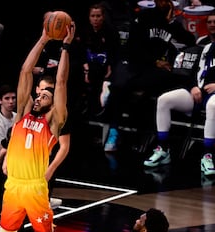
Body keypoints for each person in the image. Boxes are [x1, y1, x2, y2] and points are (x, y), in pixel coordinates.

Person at [0, 20, 78, 232]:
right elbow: (24, 71)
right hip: (13, 187)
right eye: (38, 93)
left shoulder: (53, 123)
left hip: (34, 188)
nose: (39, 95)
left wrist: (66, 47)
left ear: (51, 103)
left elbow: (62, 82)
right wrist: (43, 38)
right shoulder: (20, 114)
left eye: (45, 94)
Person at [102, 0, 196, 152]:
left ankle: (144, 134)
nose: (172, 13)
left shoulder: (171, 25)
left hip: (152, 69)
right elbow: (133, 48)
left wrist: (175, 24)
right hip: (134, 63)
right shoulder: (145, 17)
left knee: (164, 81)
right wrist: (155, 61)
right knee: (121, 88)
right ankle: (113, 129)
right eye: (170, 10)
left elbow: (190, 40)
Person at [143, 39, 215, 175]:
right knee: (164, 100)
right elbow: (193, 73)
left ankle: (208, 155)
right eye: (210, 22)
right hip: (199, 92)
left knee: (213, 106)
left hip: (213, 95)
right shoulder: (206, 48)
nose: (212, 25)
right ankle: (163, 149)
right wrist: (193, 86)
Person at [77, 3, 121, 117]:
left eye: (98, 16)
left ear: (103, 17)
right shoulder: (84, 30)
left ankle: (97, 106)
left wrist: (110, 66)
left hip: (103, 64)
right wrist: (84, 65)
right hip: (86, 63)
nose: (95, 19)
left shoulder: (111, 31)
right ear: (89, 17)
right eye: (93, 16)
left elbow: (115, 52)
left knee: (98, 74)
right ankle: (80, 104)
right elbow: (80, 50)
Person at [35, 75, 71, 208]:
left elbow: (64, 146)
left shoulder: (59, 115)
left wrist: (51, 169)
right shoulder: (30, 109)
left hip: (44, 162)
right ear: (37, 89)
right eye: (43, 90)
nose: (45, 92)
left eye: (49, 90)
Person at [0, 84, 17, 156]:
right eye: (7, 98)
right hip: (2, 159)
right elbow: (0, 147)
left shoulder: (17, 117)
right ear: (0, 100)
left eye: (13, 98)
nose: (11, 101)